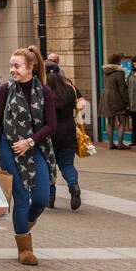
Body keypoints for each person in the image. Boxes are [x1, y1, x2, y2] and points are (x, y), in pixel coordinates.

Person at [0, 46, 57, 266]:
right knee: (22, 196)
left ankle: (25, 224)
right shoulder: (5, 89)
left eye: (17, 66)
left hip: (36, 146)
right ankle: (25, 249)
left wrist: (30, 141)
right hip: (9, 146)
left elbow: (51, 125)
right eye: (11, 66)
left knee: (42, 197)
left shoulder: (44, 91)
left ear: (30, 68)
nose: (12, 70)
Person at [45, 60, 85, 211]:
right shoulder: (70, 89)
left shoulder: (42, 90)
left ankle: (51, 197)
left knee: (49, 166)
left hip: (49, 134)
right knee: (67, 164)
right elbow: (81, 105)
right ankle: (73, 184)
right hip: (69, 132)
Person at [100, 54, 129, 149]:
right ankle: (120, 143)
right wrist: (126, 102)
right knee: (122, 121)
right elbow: (122, 88)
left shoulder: (105, 71)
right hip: (116, 97)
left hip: (105, 97)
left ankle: (110, 144)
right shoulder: (119, 72)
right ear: (118, 61)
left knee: (110, 122)